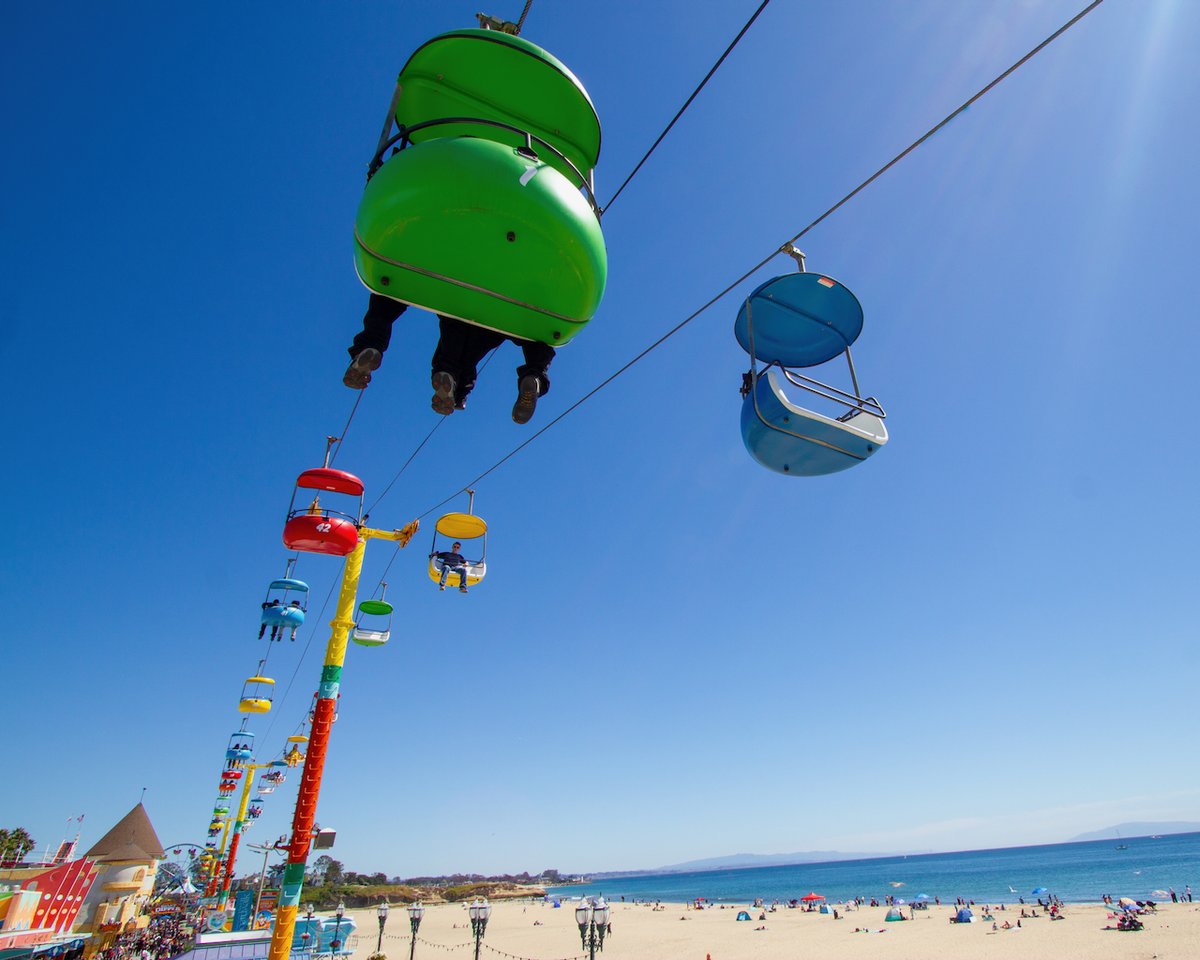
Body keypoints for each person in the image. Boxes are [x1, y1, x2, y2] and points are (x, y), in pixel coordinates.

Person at [344, 295, 554, 424]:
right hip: (507, 300)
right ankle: (534, 375)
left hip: (461, 285)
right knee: (538, 339)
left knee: (390, 290)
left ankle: (371, 344)